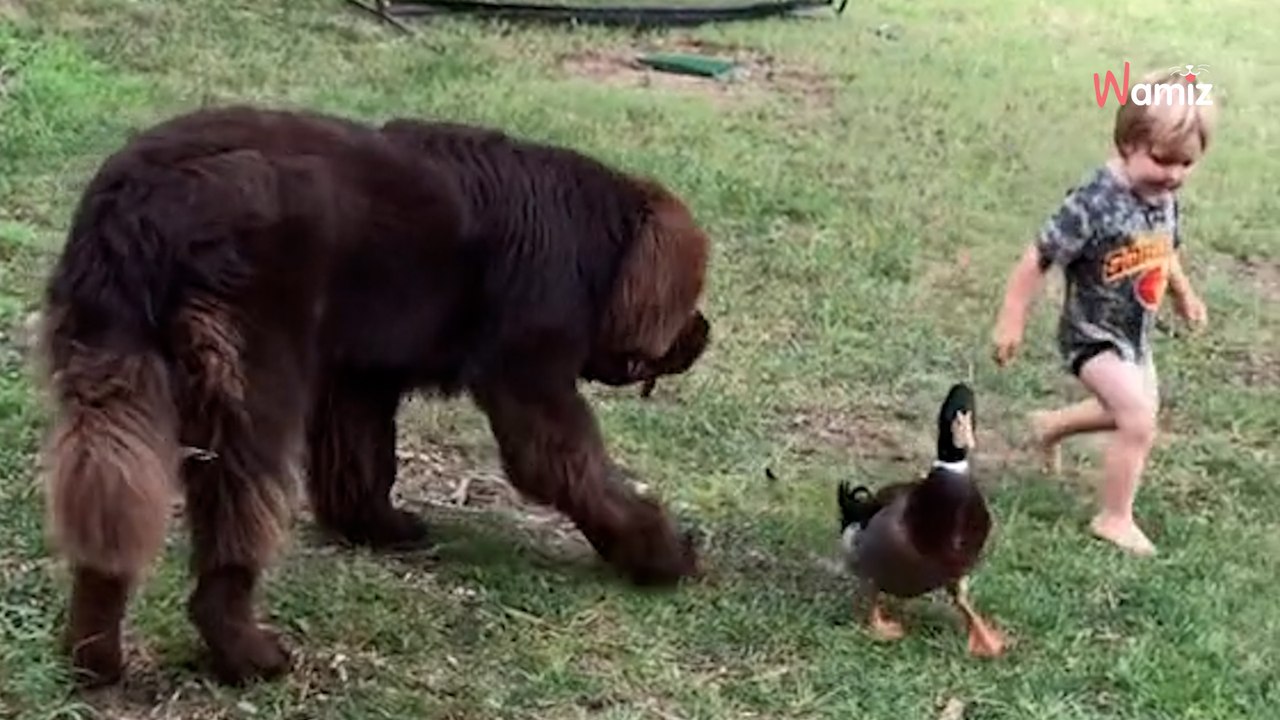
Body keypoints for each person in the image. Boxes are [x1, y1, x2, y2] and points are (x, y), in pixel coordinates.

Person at [990, 69, 1216, 556]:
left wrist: (1184, 295)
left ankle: (1048, 426)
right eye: (1162, 160)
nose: (1174, 175)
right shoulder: (1094, 201)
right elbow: (1039, 255)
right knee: (1137, 419)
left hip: (1135, 333)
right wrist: (1012, 317)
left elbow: (1164, 249)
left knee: (1133, 412)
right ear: (1129, 142)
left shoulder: (1163, 195)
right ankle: (1114, 517)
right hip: (1092, 335)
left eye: (1187, 163)